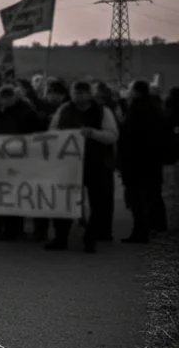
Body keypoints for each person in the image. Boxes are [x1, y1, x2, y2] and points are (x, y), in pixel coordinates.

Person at [46, 81, 119, 253]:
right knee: (64, 201)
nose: (78, 96)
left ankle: (91, 237)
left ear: (90, 94)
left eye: (82, 92)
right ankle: (61, 237)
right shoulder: (64, 110)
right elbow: (52, 132)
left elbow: (112, 136)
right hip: (69, 164)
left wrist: (93, 133)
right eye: (76, 92)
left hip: (97, 164)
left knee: (98, 203)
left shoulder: (103, 112)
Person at [0, 83, 46, 242]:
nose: (5, 100)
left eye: (8, 96)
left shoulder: (26, 111)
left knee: (18, 192)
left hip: (20, 158)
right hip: (1, 158)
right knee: (5, 193)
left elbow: (37, 130)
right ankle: (8, 227)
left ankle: (16, 228)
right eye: (3, 97)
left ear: (15, 96)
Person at [119, 80, 171, 243]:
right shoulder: (156, 109)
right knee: (152, 195)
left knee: (137, 200)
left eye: (129, 89)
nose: (127, 92)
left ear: (136, 92)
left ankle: (140, 232)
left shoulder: (135, 110)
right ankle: (157, 227)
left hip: (136, 162)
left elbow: (128, 137)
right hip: (152, 162)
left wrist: (122, 161)